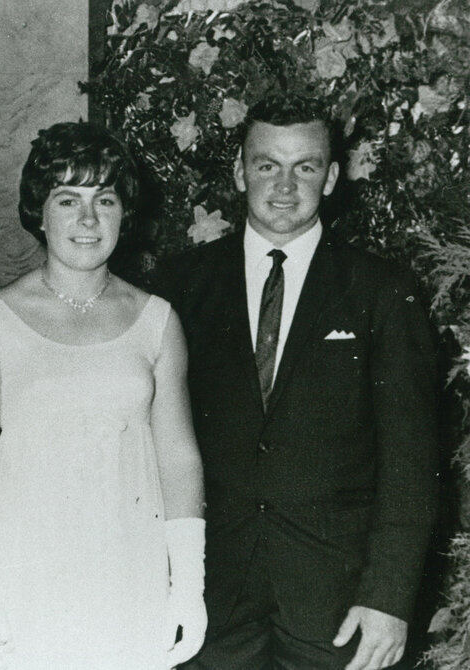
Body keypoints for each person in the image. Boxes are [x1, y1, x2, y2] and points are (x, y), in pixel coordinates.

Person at [153, 95, 439, 670]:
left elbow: (413, 462)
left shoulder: (382, 290)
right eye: (267, 165)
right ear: (239, 171)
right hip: (209, 600)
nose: (285, 185)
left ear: (331, 177)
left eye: (305, 166)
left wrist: (387, 599)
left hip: (336, 608)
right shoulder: (179, 287)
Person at [0, 121, 207, 670]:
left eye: (104, 200)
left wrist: (187, 585)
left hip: (130, 577)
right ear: (40, 213)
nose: (87, 219)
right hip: (27, 582)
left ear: (122, 214)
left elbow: (179, 461)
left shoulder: (158, 321)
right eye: (68, 199)